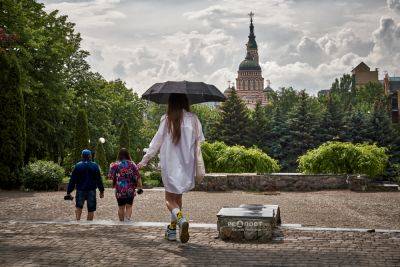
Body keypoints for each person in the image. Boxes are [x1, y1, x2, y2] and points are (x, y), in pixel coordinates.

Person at [137, 93, 205, 243]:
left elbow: (156, 143)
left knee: (169, 199)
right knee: (178, 198)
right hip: (187, 165)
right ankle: (172, 230)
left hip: (170, 164)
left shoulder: (166, 120)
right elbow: (200, 141)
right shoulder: (193, 119)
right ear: (185, 102)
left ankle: (180, 220)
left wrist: (144, 160)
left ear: (171, 103)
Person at [66, 149, 105, 221]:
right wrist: (101, 191)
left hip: (80, 189)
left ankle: (78, 221)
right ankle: (89, 224)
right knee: (91, 209)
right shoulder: (95, 166)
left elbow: (72, 180)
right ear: (90, 156)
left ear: (82, 156)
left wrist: (69, 191)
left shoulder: (78, 166)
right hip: (91, 190)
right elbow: (99, 180)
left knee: (79, 206)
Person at [108, 148, 143, 222]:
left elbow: (110, 177)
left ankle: (121, 222)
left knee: (121, 207)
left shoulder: (115, 165)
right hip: (130, 189)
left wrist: (111, 167)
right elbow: (138, 176)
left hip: (119, 189)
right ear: (128, 155)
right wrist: (140, 187)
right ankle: (127, 221)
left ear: (119, 155)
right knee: (129, 206)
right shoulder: (132, 164)